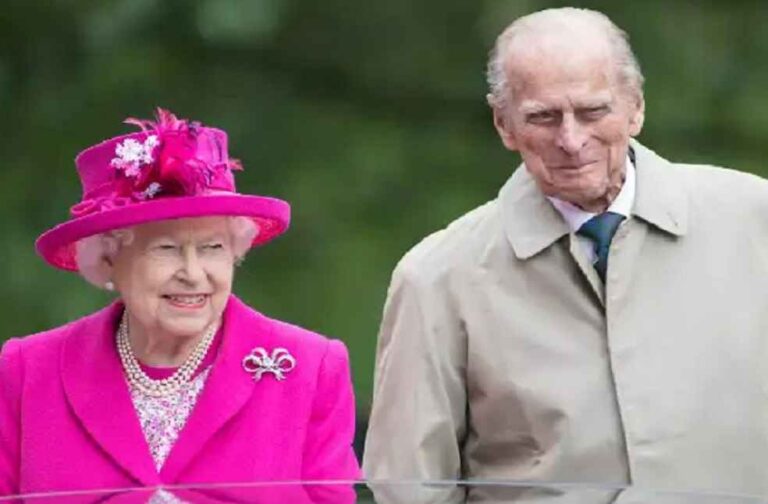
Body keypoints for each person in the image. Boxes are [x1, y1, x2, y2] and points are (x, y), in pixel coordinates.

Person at [363, 7, 768, 502]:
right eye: (542, 117)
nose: (571, 141)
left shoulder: (754, 221)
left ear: (636, 106)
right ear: (504, 125)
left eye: (593, 111)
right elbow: (410, 488)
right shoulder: (437, 278)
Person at [0, 109, 360, 500]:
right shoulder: (27, 371)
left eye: (212, 248)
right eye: (166, 249)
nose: (193, 273)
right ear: (108, 259)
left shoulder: (311, 368)